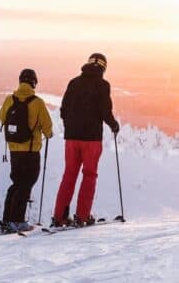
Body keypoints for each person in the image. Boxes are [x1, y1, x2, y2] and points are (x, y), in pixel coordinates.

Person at [52, 53, 120, 227]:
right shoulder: (103, 85)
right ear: (104, 67)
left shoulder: (74, 82)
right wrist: (113, 125)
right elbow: (105, 111)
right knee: (89, 176)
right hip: (91, 139)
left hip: (71, 139)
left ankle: (59, 217)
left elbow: (63, 110)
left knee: (69, 175)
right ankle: (82, 216)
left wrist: (71, 126)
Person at [0, 69, 53, 233]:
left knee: (16, 183)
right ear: (34, 82)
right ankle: (18, 220)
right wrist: (48, 134)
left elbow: (2, 117)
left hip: (14, 150)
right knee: (26, 183)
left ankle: (8, 219)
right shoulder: (37, 102)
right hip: (30, 151)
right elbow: (47, 126)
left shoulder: (10, 99)